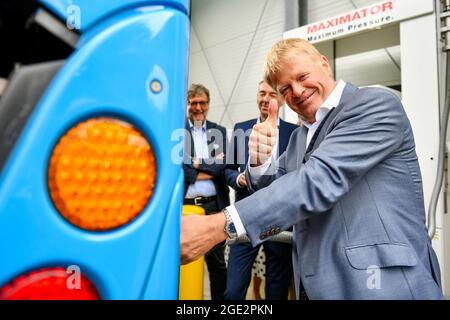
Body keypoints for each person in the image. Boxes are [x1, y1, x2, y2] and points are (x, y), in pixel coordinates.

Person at [180, 39, 445, 300]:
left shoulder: (374, 105)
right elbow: (278, 190)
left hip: (385, 286)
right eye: (285, 89)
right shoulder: (299, 137)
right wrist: (259, 162)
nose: (296, 91)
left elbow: (316, 181)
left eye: (302, 76)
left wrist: (219, 225)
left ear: (324, 64)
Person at [224, 80, 296, 300]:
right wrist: (238, 178)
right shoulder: (241, 128)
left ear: (282, 99)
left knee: (277, 288)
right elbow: (228, 169)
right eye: (262, 93)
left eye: (272, 95)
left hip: (280, 219)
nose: (265, 99)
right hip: (245, 218)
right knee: (234, 289)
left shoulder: (295, 133)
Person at [183, 83, 229, 300]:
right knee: (183, 262)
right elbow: (180, 169)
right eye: (194, 103)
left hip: (213, 206)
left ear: (208, 104)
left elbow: (221, 167)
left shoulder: (218, 132)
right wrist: (208, 166)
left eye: (202, 103)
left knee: (218, 265)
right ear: (187, 104)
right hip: (185, 208)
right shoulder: (177, 132)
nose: (198, 107)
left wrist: (195, 163)